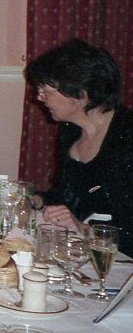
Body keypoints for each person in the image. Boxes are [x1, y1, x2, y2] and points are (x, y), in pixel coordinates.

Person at [25, 38, 133, 256]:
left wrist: (83, 228)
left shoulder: (127, 139)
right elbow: (66, 197)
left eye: (46, 91)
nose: (39, 97)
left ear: (81, 96)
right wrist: (35, 200)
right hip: (82, 250)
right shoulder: (71, 132)